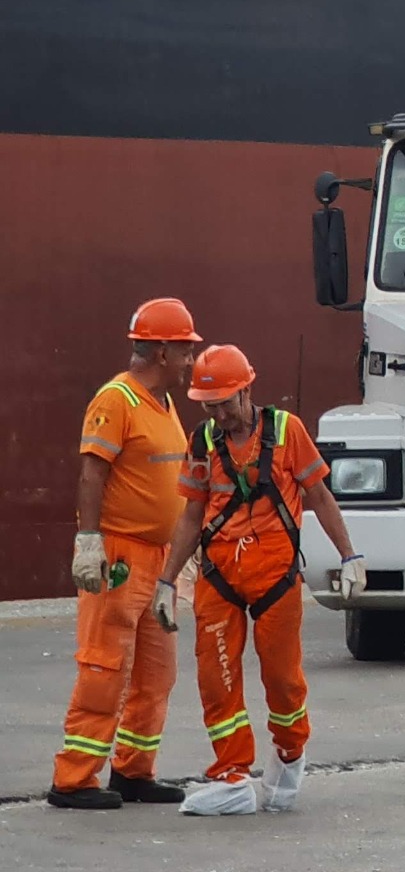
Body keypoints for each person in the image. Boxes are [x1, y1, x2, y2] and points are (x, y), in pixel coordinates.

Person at [157, 344, 365, 818]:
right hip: (219, 577)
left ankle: (289, 757)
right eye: (208, 406)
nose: (218, 414)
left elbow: (319, 495)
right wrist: (167, 582)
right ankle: (231, 774)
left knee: (283, 681)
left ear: (247, 389)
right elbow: (192, 514)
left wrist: (350, 555)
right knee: (216, 678)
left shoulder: (287, 432)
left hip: (275, 580)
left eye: (225, 403)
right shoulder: (201, 441)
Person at [50, 298, 201, 811]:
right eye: (184, 350)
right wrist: (88, 541)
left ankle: (134, 771)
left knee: (156, 673)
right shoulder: (116, 400)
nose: (189, 360)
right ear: (161, 350)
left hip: (159, 560)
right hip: (118, 555)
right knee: (105, 666)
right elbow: (93, 472)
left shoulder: (162, 403)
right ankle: (74, 779)